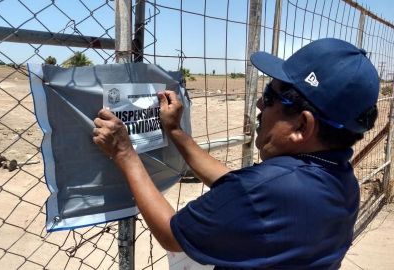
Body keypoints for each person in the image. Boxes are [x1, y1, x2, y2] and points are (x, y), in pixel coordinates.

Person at [92, 38, 379, 269]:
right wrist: (176, 133)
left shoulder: (269, 189)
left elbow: (172, 235)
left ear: (302, 125)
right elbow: (239, 185)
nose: (258, 104)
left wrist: (125, 153)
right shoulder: (338, 178)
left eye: (269, 97)